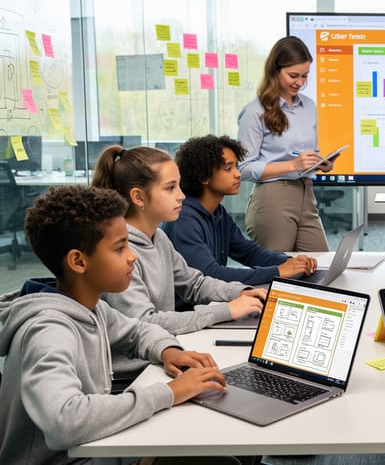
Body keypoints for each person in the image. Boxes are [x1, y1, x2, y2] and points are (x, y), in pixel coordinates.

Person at [0, 186, 226, 464]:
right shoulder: (49, 331)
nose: (133, 256)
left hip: (96, 450)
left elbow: (138, 331)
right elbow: (65, 421)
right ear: (78, 262)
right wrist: (169, 392)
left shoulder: (91, 307)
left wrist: (169, 351)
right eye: (120, 248)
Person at [92, 145, 266, 375]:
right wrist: (226, 311)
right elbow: (147, 321)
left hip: (164, 356)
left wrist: (241, 293)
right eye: (170, 188)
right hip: (135, 373)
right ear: (138, 196)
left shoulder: (159, 237)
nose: (182, 195)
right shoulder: (120, 253)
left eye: (179, 186)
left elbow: (194, 284)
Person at [162, 134, 318, 285]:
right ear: (203, 177)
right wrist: (277, 271)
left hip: (214, 300)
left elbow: (249, 252)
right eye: (228, 168)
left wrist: (289, 262)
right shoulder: (184, 219)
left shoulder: (218, 213)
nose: (238, 174)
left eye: (236, 166)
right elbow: (210, 274)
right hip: (191, 309)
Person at [238, 35, 339, 253]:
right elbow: (243, 168)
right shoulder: (255, 111)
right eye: (293, 75)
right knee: (279, 273)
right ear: (275, 70)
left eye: (305, 76)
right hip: (272, 198)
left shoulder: (309, 107)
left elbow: (309, 152)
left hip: (306, 194)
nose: (300, 82)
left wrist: (320, 162)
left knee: (320, 265)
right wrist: (293, 165)